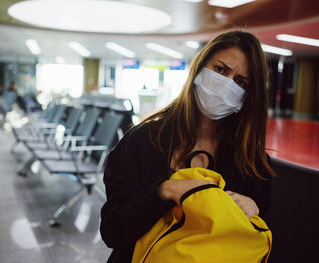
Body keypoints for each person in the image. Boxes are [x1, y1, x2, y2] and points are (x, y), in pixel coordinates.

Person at [100, 30, 275, 263]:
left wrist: (253, 208)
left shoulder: (252, 162)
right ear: (198, 69)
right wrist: (166, 190)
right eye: (220, 70)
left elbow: (248, 241)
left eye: (240, 82)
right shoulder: (142, 141)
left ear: (248, 95)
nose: (226, 84)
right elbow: (113, 231)